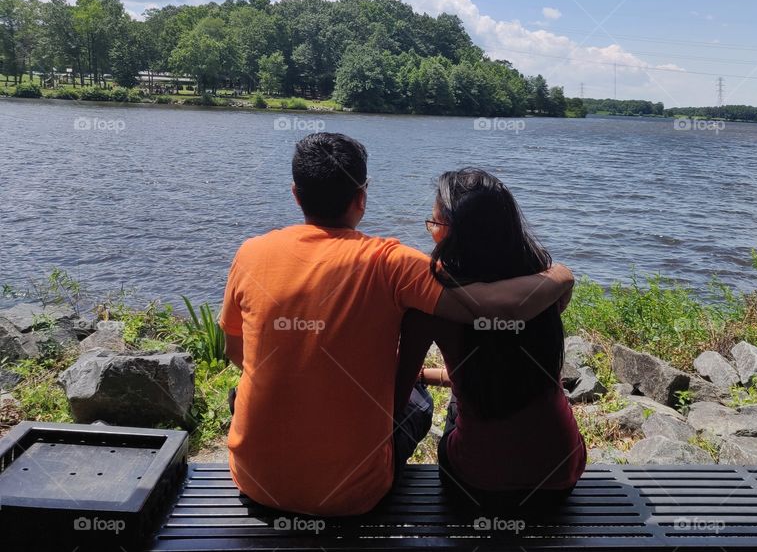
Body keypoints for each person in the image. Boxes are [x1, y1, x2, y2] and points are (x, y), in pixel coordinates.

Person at [218, 133, 573, 517]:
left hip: (255, 482)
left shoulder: (250, 253)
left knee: (244, 394)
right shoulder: (394, 264)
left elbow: (237, 354)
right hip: (356, 496)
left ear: (296, 195)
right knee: (423, 402)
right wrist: (560, 276)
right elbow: (488, 309)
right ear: (361, 198)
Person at [395, 168, 585, 508]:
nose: (431, 231)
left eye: (435, 224)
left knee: (447, 403)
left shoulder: (431, 305)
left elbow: (395, 396)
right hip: (560, 475)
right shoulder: (542, 287)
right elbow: (503, 364)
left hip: (478, 485)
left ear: (455, 233)